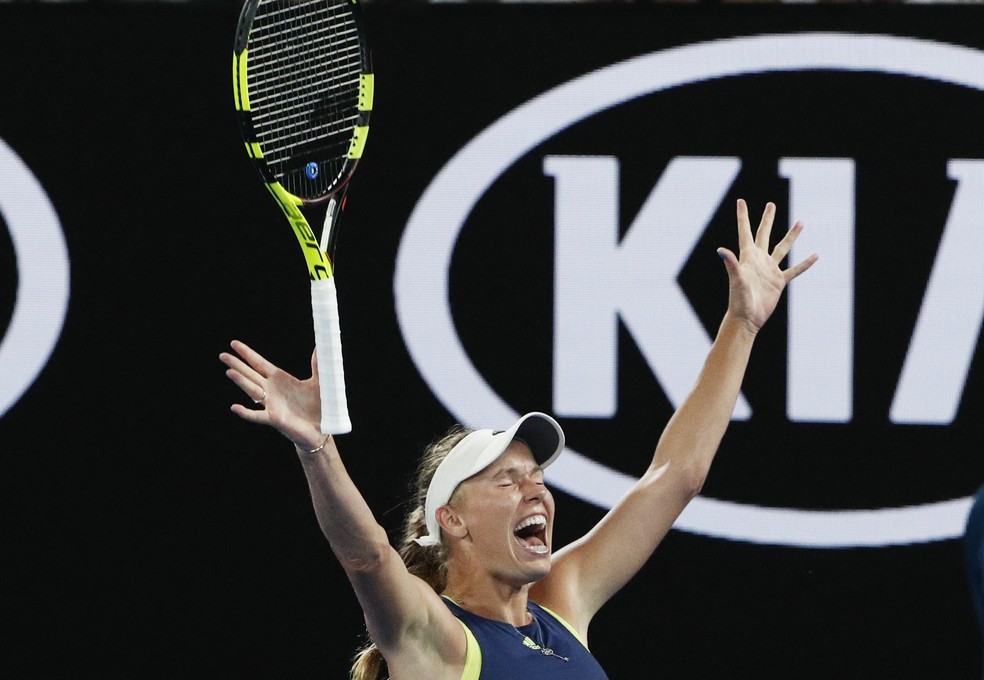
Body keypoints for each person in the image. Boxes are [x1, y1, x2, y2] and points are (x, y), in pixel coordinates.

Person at [219, 199, 817, 680]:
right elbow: (368, 554)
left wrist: (741, 324)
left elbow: (675, 476)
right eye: (509, 479)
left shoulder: (562, 600)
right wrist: (315, 447)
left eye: (537, 477)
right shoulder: (438, 641)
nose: (536, 491)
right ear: (451, 519)